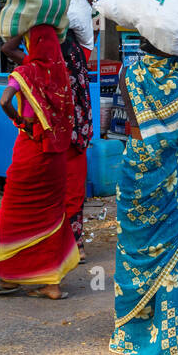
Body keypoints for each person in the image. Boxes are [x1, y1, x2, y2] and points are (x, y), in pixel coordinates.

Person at [110, 39, 178, 355]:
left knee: (134, 247)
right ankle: (173, 343)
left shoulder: (128, 72)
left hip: (136, 163)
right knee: (173, 250)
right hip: (168, 169)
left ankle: (132, 337)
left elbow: (135, 119)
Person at [0, 25, 78, 299]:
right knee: (52, 215)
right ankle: (52, 284)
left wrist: (20, 120)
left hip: (32, 149)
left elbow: (4, 100)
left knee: (14, 214)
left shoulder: (25, 72)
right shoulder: (60, 73)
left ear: (32, 45)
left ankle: (9, 277)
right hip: (57, 155)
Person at [61, 33, 95, 260]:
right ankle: (77, 245)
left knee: (54, 192)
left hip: (55, 138)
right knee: (74, 192)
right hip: (78, 136)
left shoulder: (46, 68)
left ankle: (59, 244)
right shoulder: (80, 57)